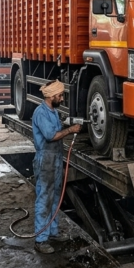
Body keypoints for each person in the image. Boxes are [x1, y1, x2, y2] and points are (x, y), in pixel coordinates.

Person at [31, 80, 81, 254]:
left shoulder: (53, 111)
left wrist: (68, 126)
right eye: (60, 96)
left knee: (55, 197)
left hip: (56, 158)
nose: (62, 98)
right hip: (45, 159)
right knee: (44, 198)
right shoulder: (41, 113)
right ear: (51, 96)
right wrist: (70, 130)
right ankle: (40, 239)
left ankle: (52, 232)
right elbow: (51, 135)